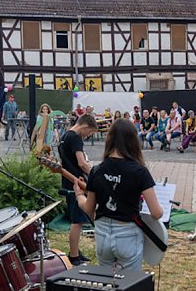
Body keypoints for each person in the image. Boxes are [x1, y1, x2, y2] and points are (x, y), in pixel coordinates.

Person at [74, 119, 163, 271]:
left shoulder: (97, 170)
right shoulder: (139, 172)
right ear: (133, 141)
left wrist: (78, 195)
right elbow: (156, 213)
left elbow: (89, 209)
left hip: (102, 234)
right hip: (127, 234)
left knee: (108, 285)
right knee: (129, 287)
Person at [57, 114, 99, 265]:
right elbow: (81, 163)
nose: (88, 136)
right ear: (85, 126)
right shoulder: (75, 137)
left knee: (77, 219)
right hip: (77, 183)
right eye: (90, 133)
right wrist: (95, 175)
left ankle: (75, 251)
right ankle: (74, 256)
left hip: (68, 181)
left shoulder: (64, 136)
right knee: (77, 221)